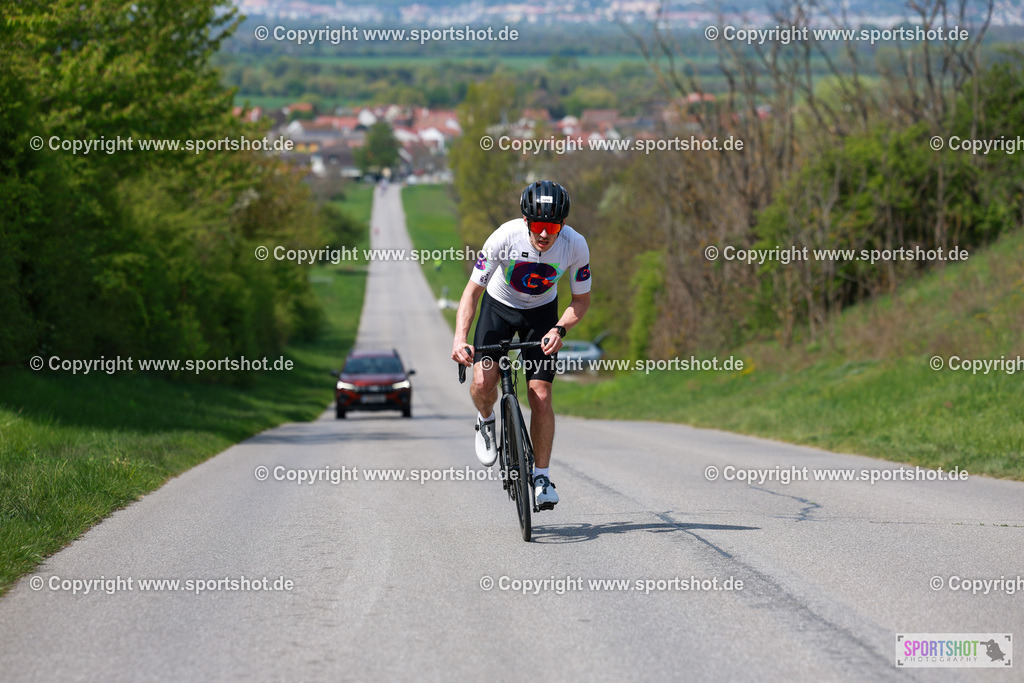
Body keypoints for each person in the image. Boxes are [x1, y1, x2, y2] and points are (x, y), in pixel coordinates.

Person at [451, 180, 592, 510]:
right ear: (527, 222)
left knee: (541, 394)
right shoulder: (504, 237)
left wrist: (559, 329)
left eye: (552, 226)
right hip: (498, 307)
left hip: (542, 315)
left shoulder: (575, 245)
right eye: (539, 226)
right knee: (484, 382)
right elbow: (471, 294)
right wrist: (459, 338)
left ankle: (541, 477)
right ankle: (486, 421)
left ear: (563, 225)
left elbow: (581, 301)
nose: (545, 234)